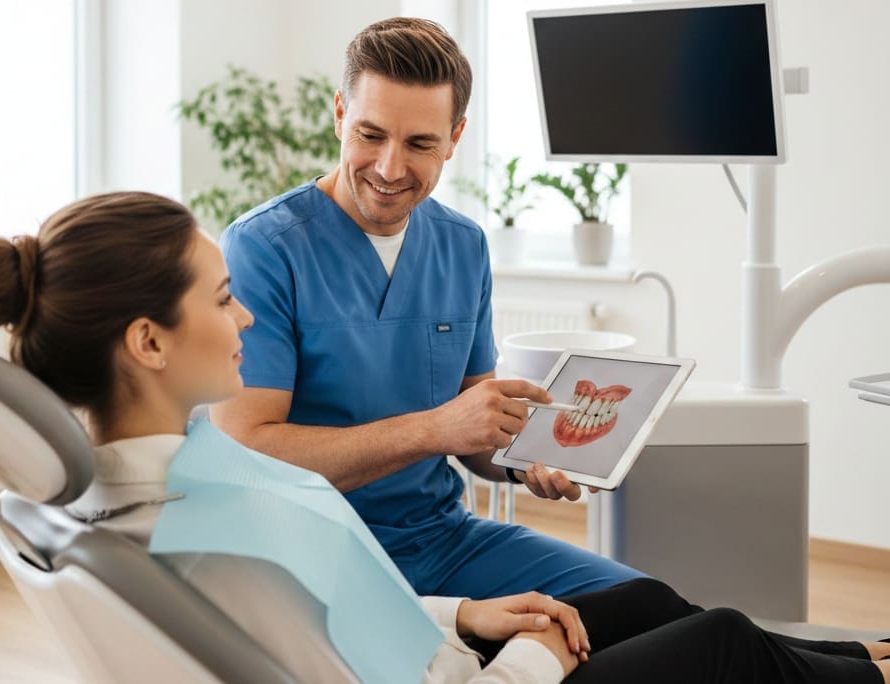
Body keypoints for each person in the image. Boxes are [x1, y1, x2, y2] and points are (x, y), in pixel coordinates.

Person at [0, 191, 890, 683]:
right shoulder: (215, 533)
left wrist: (472, 616)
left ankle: (862, 660)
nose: (243, 320)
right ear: (149, 341)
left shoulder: (165, 489)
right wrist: (532, 652)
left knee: (653, 607)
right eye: (222, 298)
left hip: (437, 622)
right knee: (721, 641)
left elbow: (334, 617)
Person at [211, 16, 639, 601]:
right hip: (310, 556)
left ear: (455, 138)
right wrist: (435, 428)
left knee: (653, 606)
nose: (389, 168)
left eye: (419, 144)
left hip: (442, 538)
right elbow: (247, 452)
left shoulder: (463, 246)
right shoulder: (264, 246)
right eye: (370, 134)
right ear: (339, 114)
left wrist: (527, 458)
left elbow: (476, 440)